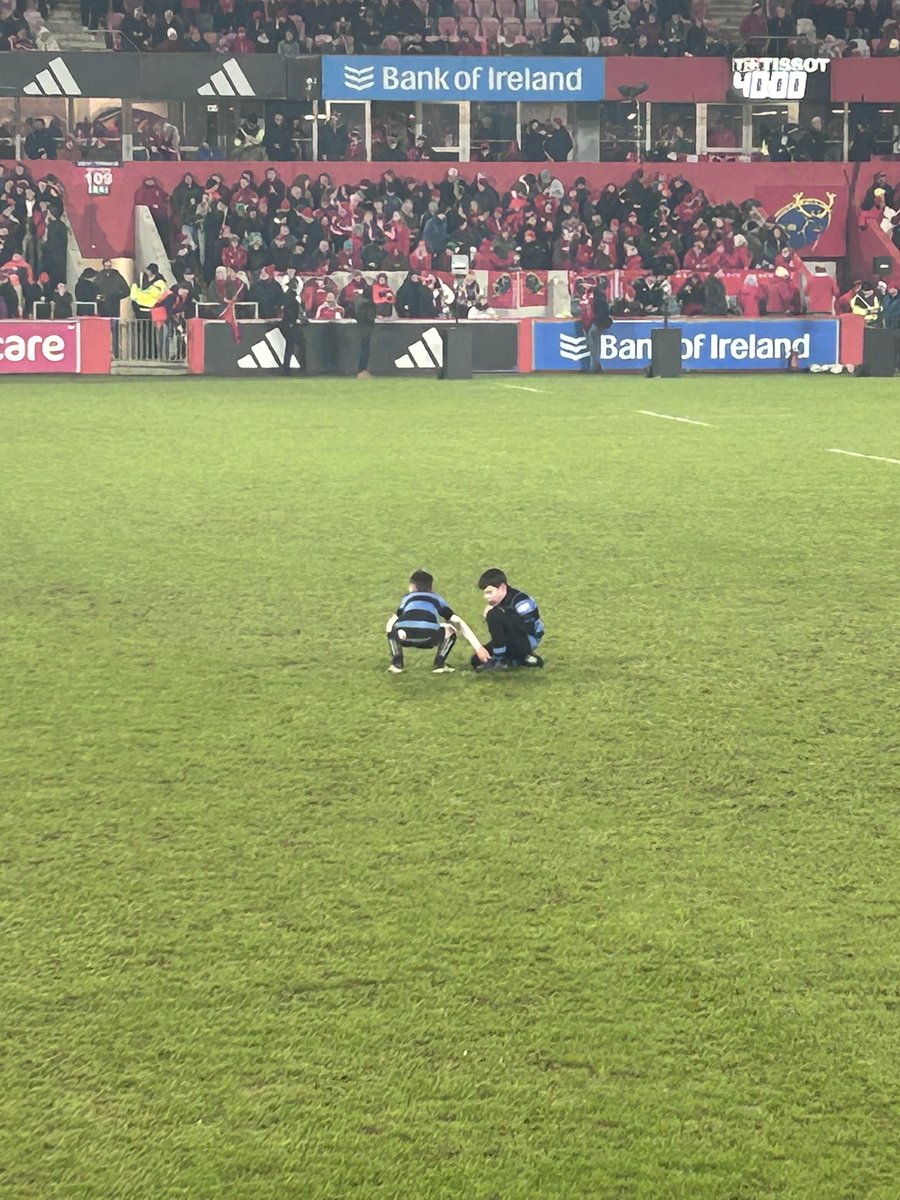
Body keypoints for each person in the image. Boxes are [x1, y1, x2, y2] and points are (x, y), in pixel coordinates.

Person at [385, 569, 489, 675]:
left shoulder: (407, 598)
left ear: (412, 586)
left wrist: (391, 635)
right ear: (431, 587)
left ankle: (397, 664)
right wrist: (478, 647)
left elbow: (391, 623)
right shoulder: (436, 598)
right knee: (449, 629)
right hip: (429, 637)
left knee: (393, 627)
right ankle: (439, 665)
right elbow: (456, 621)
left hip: (405, 636)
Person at [473, 568, 544, 672]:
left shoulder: (521, 601)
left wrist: (500, 615)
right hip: (509, 640)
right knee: (476, 660)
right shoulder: (498, 604)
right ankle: (519, 660)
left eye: (489, 592)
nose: (486, 597)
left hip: (527, 639)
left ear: (502, 588)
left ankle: (501, 660)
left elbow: (529, 627)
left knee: (494, 615)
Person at [278, 276, 307, 374]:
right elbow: (291, 311)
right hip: (290, 324)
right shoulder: (292, 296)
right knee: (297, 345)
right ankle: (299, 367)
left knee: (290, 346)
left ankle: (286, 368)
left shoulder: (288, 295)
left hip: (288, 323)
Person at [589, 276, 612, 374]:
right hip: (599, 323)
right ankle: (596, 366)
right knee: (595, 345)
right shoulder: (602, 295)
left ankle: (595, 367)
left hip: (598, 323)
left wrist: (597, 323)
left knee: (593, 345)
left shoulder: (600, 296)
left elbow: (601, 311)